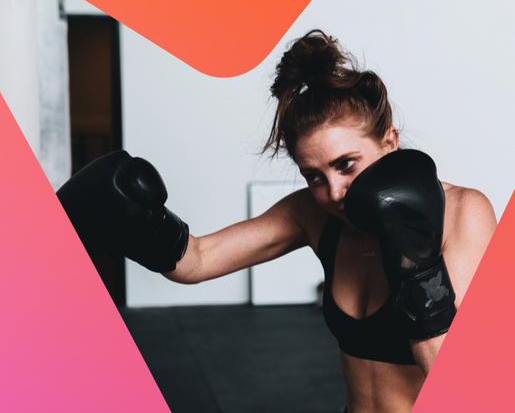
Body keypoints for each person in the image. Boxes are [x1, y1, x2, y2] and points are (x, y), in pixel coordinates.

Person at [57, 30, 497, 413]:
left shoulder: (462, 214)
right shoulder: (312, 212)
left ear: (390, 141)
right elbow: (199, 259)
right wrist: (136, 221)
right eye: (314, 176)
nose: (335, 193)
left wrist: (414, 263)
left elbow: (461, 388)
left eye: (347, 164)